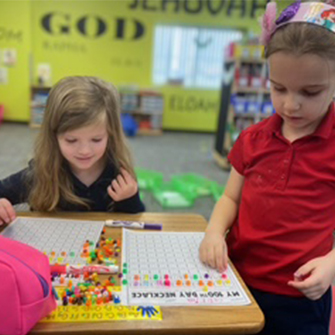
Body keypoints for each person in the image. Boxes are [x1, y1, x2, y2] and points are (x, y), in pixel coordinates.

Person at [199, 1, 335, 334]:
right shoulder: (252, 138)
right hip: (237, 279)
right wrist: (214, 232)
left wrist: (332, 263)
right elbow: (230, 199)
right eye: (278, 88)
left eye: (310, 91)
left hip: (302, 294)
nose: (291, 103)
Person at [0, 76, 145, 224]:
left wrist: (130, 198)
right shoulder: (41, 172)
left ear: (111, 135)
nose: (84, 151)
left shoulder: (117, 173)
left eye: (96, 140)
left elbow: (134, 220)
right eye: (71, 140)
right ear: (54, 136)